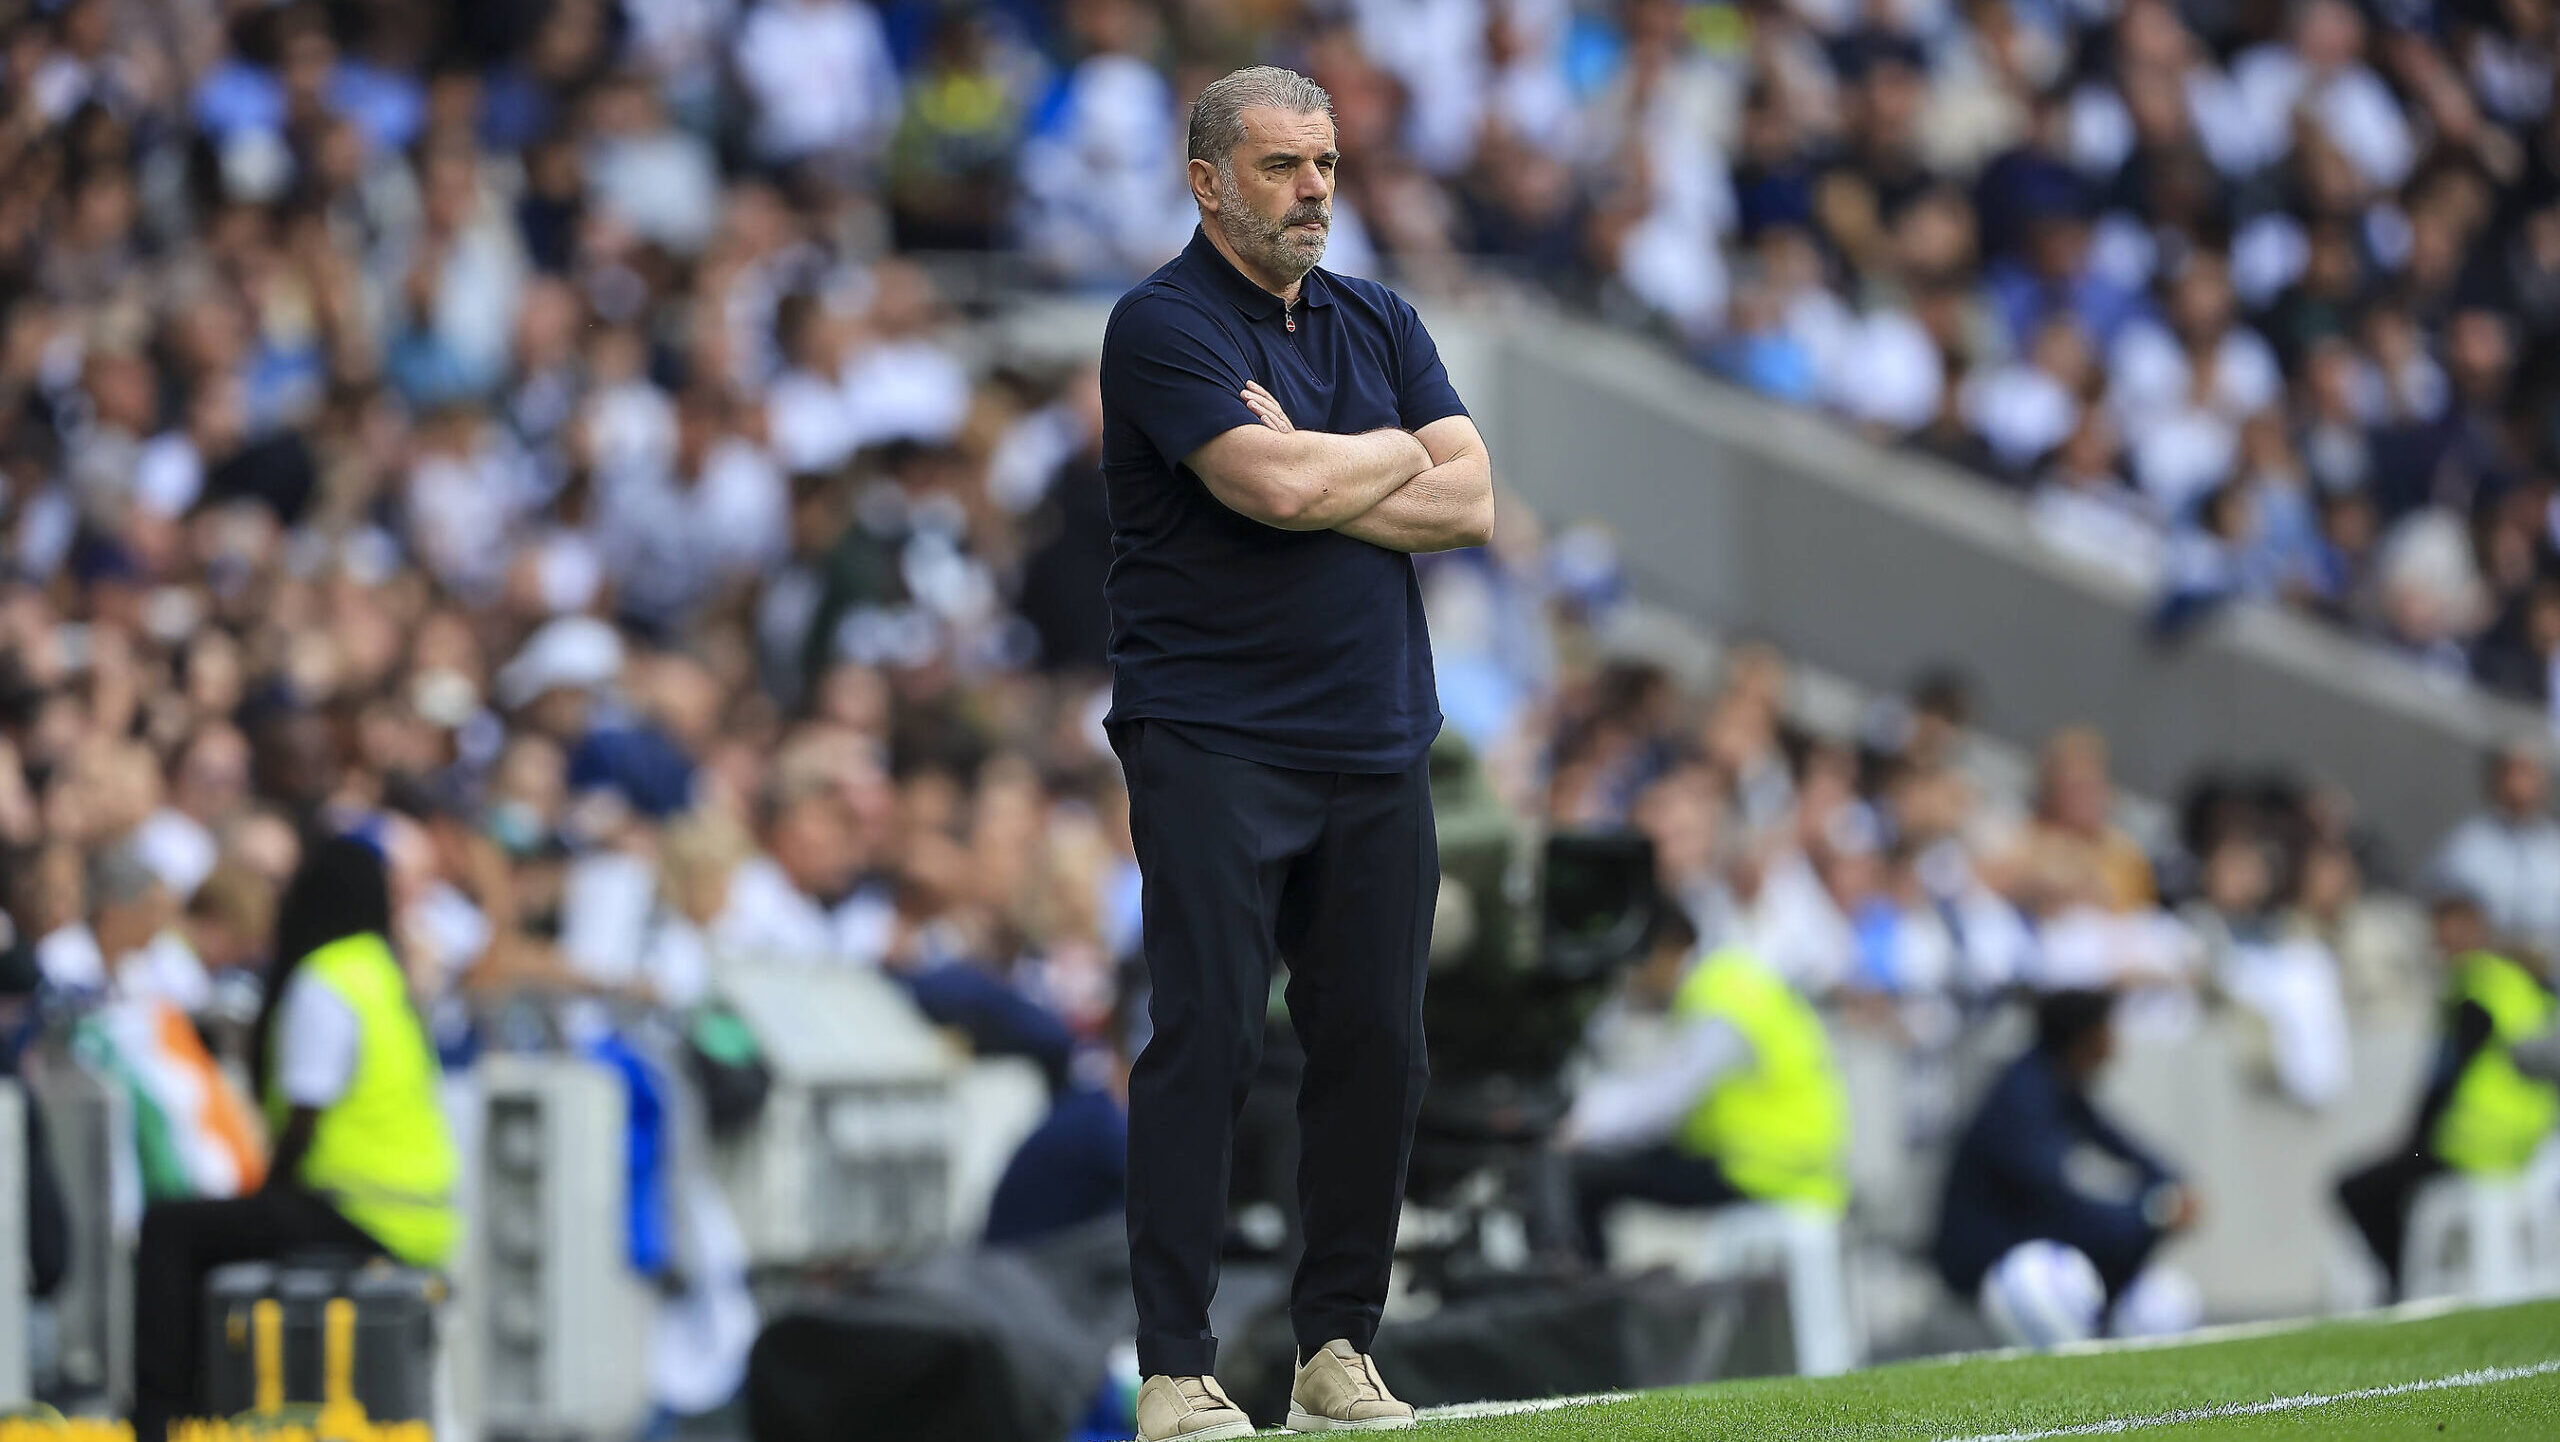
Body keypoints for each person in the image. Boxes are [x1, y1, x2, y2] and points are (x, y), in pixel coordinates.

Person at [1098, 65, 1493, 1442]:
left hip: (1378, 735)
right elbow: (1265, 486)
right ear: (1209, 180)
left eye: (1324, 163)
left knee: (1380, 1043)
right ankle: (1173, 1368)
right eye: (1280, 166)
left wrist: (1336, 463)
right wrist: (1390, 458)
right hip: (1211, 735)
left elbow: (1476, 497)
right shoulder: (1159, 325)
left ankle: (1337, 1348)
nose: (1313, 188)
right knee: (1207, 1032)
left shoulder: (1376, 316)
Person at [131, 837, 460, 1442]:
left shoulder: (326, 978)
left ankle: (165, 1419)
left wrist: (264, 1194)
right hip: (421, 1214)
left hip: (358, 1208)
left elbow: (303, 1119)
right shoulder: (379, 972)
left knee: (171, 1230)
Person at [1556, 910, 1850, 1263]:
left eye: (1635, 963)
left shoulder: (1723, 1002)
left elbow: (1665, 1095)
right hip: (1776, 1164)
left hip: (1763, 1170)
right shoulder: (1731, 981)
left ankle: (1587, 1301)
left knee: (1585, 1179)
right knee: (1612, 1165)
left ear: (1668, 948)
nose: (1631, 978)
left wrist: (1579, 1124)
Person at [1931, 990, 2202, 1347]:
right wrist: (2154, 1212)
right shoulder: (2022, 1098)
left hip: (2023, 1234)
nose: (2117, 1040)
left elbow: (2116, 1139)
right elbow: (2058, 1199)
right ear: (2086, 1036)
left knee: (2122, 1230)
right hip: (1988, 1256)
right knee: (2116, 1234)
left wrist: (2172, 1182)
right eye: (2109, 1028)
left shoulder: (2055, 1079)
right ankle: (2098, 1328)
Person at [2335, 889, 2560, 1297]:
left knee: (2357, 1188)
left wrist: (2412, 1140)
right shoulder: (2522, 984)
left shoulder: (2474, 988)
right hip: (2526, 1149)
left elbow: (2445, 1083)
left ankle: (2400, 1287)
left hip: (2471, 1147)